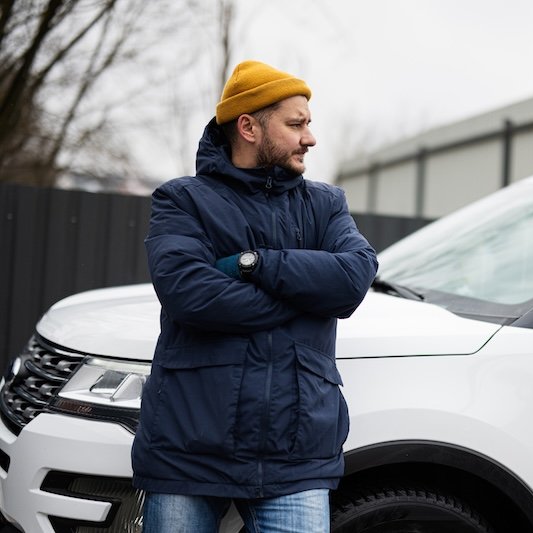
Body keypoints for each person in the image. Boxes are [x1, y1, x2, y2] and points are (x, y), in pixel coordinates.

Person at [131, 60, 378, 533]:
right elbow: (190, 295)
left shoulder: (326, 205)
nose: (310, 138)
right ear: (248, 126)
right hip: (187, 449)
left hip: (296, 455)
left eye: (308, 124)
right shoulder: (182, 201)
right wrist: (306, 296)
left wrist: (254, 264)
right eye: (296, 124)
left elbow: (352, 278)